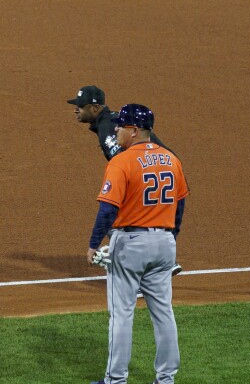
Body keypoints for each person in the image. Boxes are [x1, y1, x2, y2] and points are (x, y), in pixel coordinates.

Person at [85, 104, 188, 384]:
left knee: (121, 314)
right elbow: (180, 202)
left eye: (120, 126)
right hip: (165, 244)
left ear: (134, 131)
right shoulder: (171, 159)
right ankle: (166, 381)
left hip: (131, 244)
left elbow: (107, 209)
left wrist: (93, 244)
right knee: (164, 313)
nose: (115, 130)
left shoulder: (122, 161)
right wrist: (172, 235)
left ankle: (116, 382)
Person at [69, 85, 181, 277]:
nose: (76, 109)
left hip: (149, 175)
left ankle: (136, 275)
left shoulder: (107, 129)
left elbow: (125, 161)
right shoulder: (112, 121)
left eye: (81, 105)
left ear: (95, 108)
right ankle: (162, 261)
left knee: (116, 219)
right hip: (166, 169)